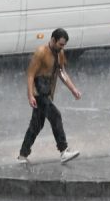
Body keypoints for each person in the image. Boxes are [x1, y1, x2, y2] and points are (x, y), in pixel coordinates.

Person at [17, 28, 82, 164]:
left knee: (36, 125)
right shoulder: (41, 52)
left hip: (47, 91)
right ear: (53, 40)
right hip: (39, 90)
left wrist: (73, 89)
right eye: (60, 44)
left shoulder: (60, 53)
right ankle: (63, 150)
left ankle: (22, 155)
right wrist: (30, 95)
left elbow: (62, 73)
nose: (62, 47)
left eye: (64, 45)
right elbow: (30, 75)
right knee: (55, 116)